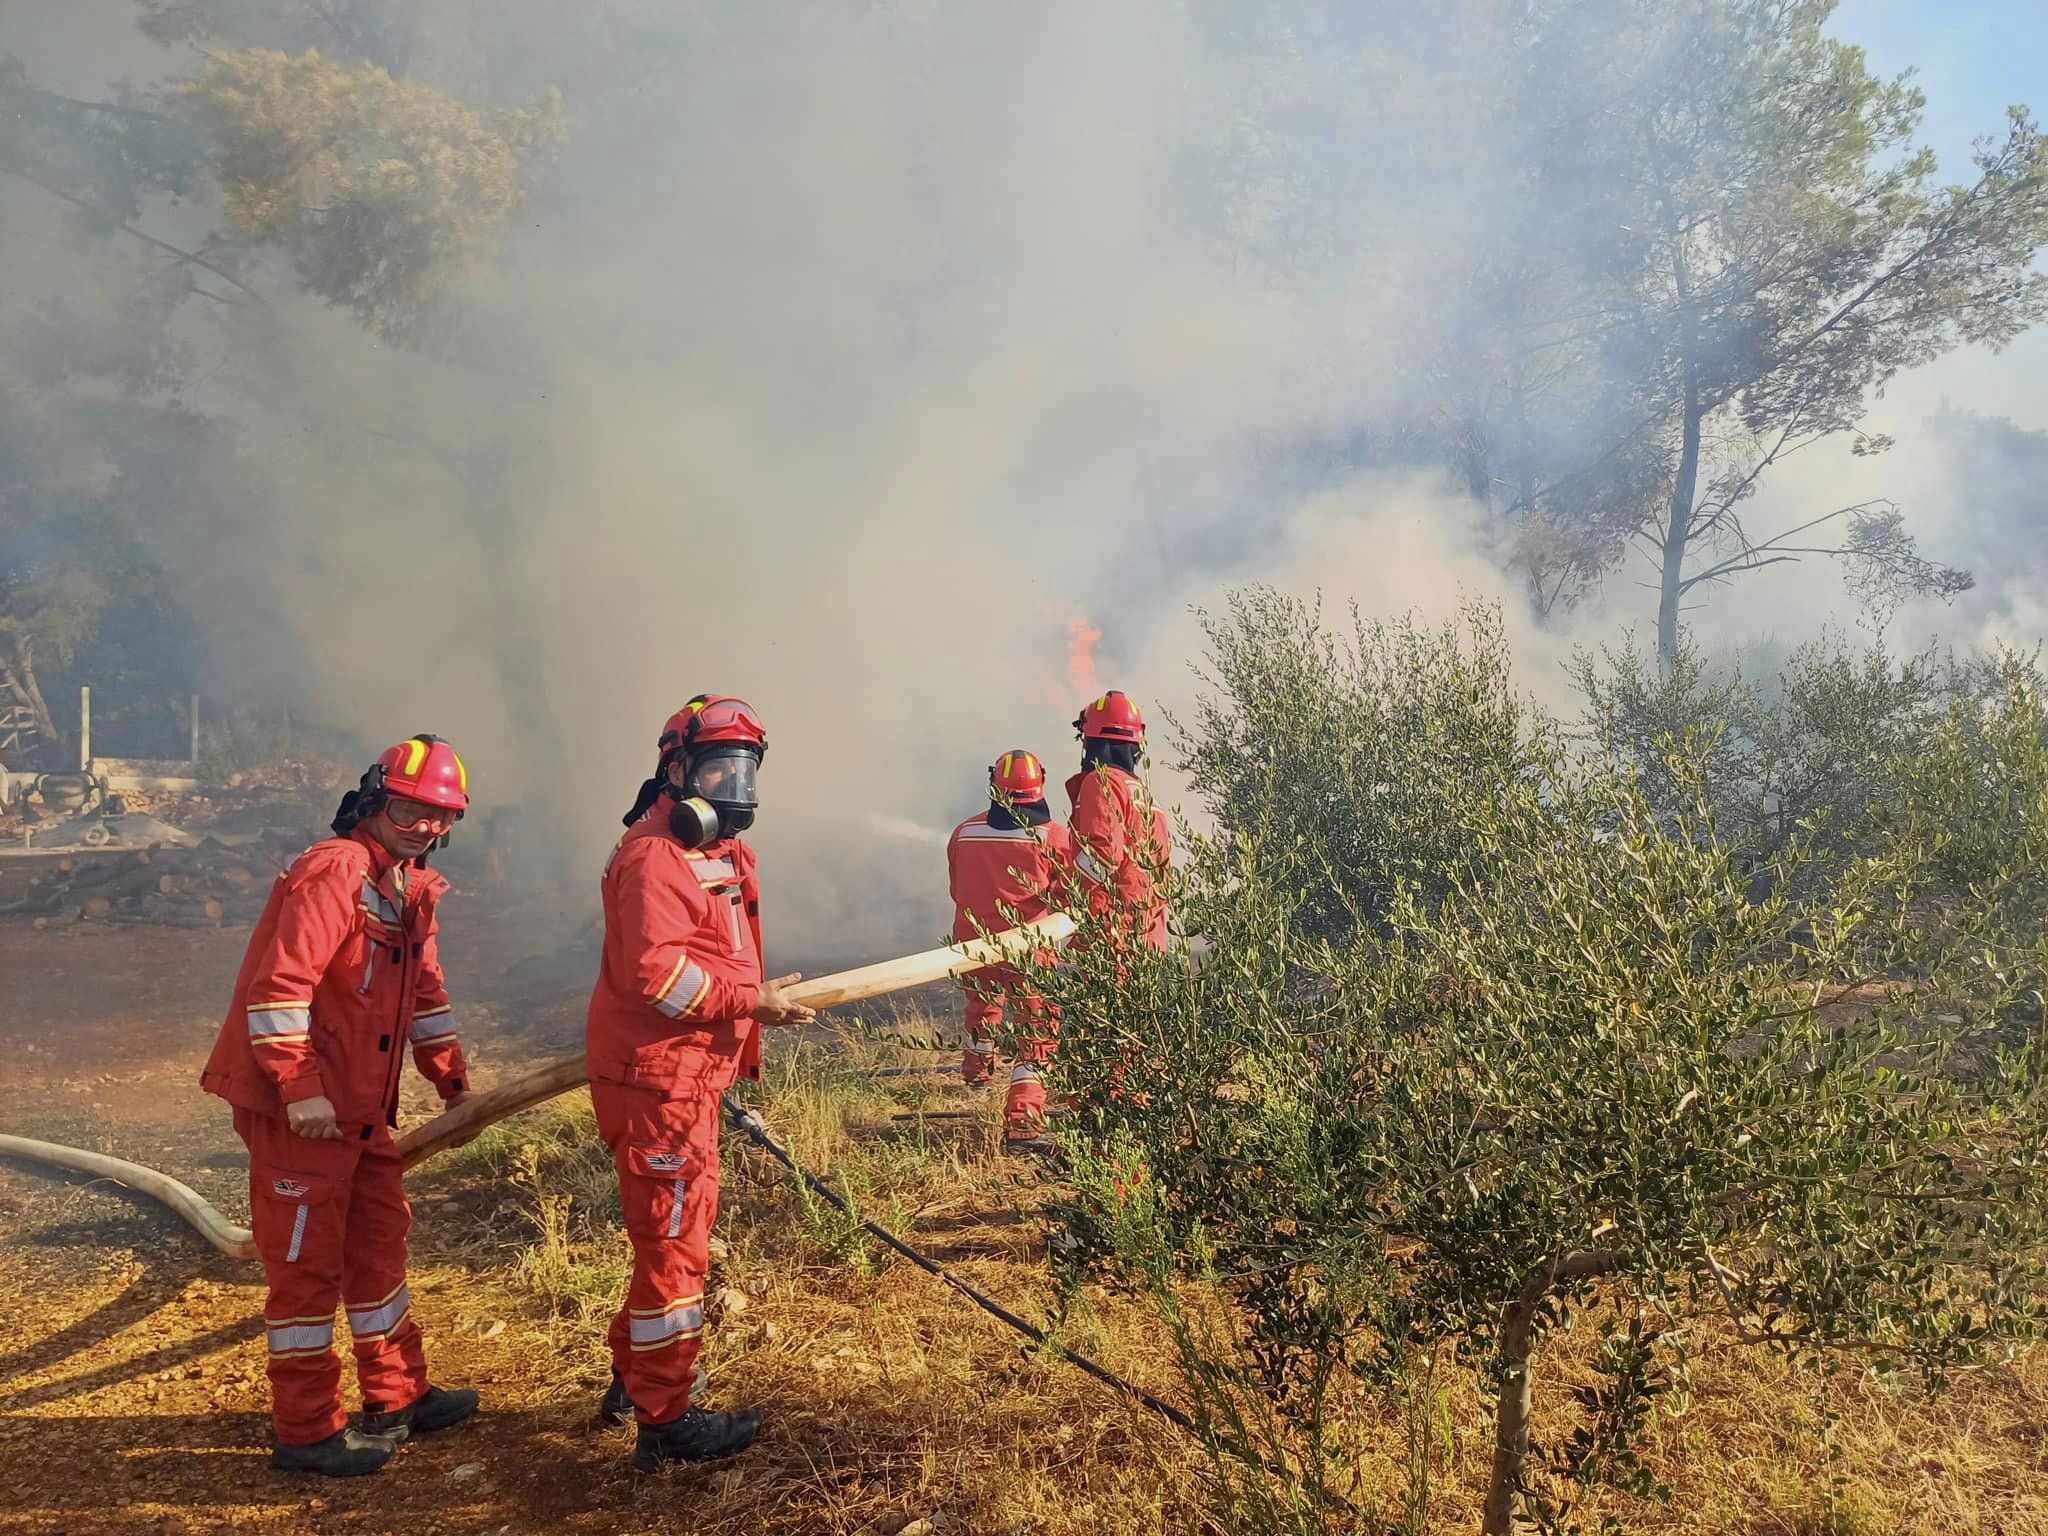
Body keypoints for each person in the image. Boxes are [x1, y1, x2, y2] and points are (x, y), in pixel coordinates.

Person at [200, 735, 481, 1477]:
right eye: (409, 810)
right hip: (304, 1114)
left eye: (439, 818)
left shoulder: (408, 890)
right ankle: (305, 1431)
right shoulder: (335, 873)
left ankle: (397, 1396)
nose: (424, 828)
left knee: (378, 1249)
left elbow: (426, 999)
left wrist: (453, 1086)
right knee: (307, 1274)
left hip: (356, 1113)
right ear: (373, 802)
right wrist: (300, 1091)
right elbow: (278, 993)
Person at [584, 694, 817, 1470]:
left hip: (682, 1083)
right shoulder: (653, 857)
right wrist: (755, 1002)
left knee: (670, 1241)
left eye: (744, 768)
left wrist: (752, 998)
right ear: (675, 769)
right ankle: (667, 1422)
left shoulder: (705, 856)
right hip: (659, 1089)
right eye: (718, 767)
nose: (734, 786)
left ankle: (636, 1378)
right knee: (674, 1255)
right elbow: (658, 980)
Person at [944, 750, 1073, 1148]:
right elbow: (1066, 892)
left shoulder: (964, 833)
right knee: (1036, 1030)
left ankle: (977, 1071)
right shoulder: (1052, 835)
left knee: (982, 1008)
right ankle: (1023, 1121)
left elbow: (957, 887)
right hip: (1029, 951)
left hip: (972, 946)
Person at [1065, 691, 1171, 953]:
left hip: (1111, 936)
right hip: (1146, 936)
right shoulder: (1143, 794)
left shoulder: (1102, 781)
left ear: (1092, 740)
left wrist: (1068, 890)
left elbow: (1103, 855)